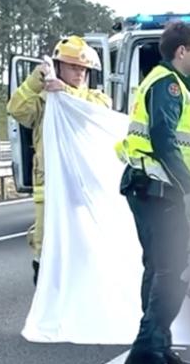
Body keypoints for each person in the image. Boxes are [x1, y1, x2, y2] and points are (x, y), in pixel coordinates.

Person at [115, 20, 190, 364]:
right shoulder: (169, 85)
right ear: (181, 51)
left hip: (150, 187)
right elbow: (164, 139)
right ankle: (148, 350)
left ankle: (158, 343)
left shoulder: (165, 83)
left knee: (159, 270)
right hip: (158, 188)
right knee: (173, 271)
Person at [7, 35, 112, 285]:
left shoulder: (96, 99)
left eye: (83, 69)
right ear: (59, 66)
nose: (79, 73)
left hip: (83, 186)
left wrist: (64, 91)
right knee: (45, 251)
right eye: (74, 67)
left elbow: (101, 110)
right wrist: (36, 81)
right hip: (50, 184)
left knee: (85, 247)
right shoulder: (43, 101)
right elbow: (17, 108)